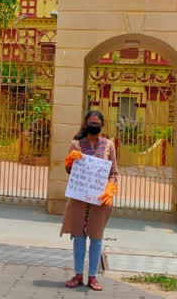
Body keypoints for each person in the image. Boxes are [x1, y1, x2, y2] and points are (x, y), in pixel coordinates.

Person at [60, 110, 118, 291]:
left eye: (97, 123)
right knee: (78, 236)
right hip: (79, 199)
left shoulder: (109, 145)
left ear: (102, 125)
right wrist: (69, 161)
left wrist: (111, 187)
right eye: (91, 122)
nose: (94, 125)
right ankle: (78, 275)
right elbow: (69, 170)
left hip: (100, 201)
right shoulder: (76, 144)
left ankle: (93, 277)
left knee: (96, 238)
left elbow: (114, 171)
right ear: (85, 124)